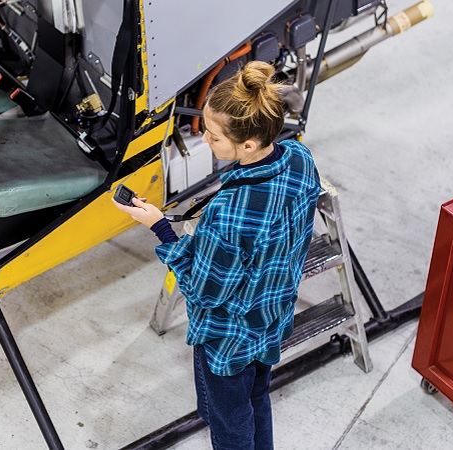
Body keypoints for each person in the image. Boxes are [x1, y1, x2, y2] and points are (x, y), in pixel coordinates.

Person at [112, 61, 321, 450]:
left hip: (230, 337)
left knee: (229, 427)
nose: (206, 141)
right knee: (257, 396)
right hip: (272, 315)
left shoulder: (229, 213)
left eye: (214, 137)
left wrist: (159, 227)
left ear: (248, 144)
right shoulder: (298, 157)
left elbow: (204, 290)